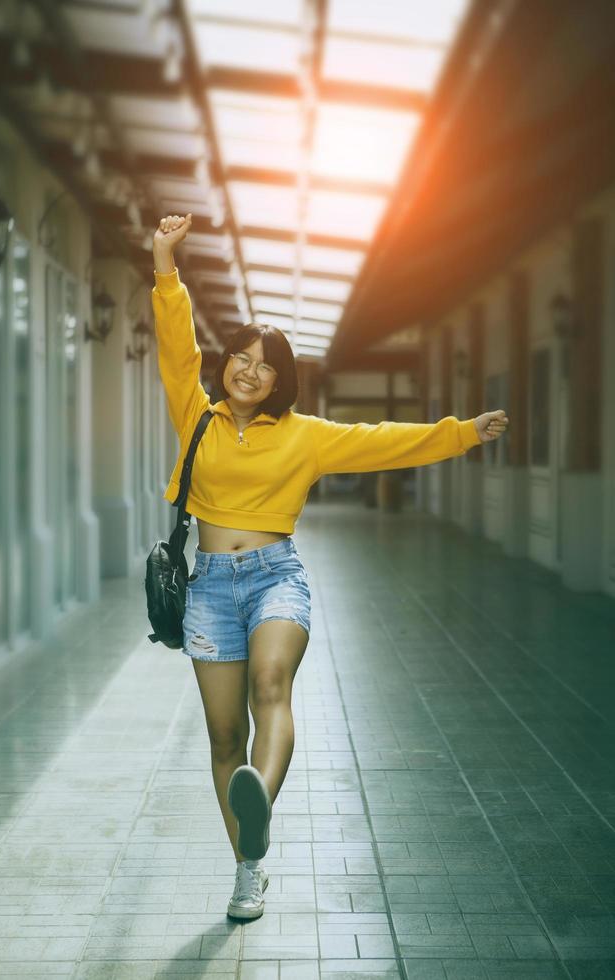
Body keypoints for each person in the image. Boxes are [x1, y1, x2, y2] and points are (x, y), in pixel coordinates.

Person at [151, 213, 509, 920]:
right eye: (242, 359)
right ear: (228, 364)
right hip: (208, 590)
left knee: (271, 685)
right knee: (223, 734)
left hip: (276, 577)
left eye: (267, 365)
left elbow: (381, 442)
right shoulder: (196, 413)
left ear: (282, 379)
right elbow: (174, 348)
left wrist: (460, 433)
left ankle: (260, 793)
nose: (250, 371)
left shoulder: (307, 437)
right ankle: (248, 868)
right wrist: (166, 265)